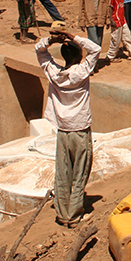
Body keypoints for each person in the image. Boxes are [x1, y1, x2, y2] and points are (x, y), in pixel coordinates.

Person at [35, 28, 100, 227]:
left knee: (63, 172)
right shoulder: (81, 72)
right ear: (79, 55)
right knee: (80, 173)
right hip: (80, 130)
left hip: (62, 131)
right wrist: (73, 36)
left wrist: (52, 40)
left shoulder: (54, 73)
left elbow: (39, 50)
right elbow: (95, 49)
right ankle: (74, 214)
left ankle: (63, 213)